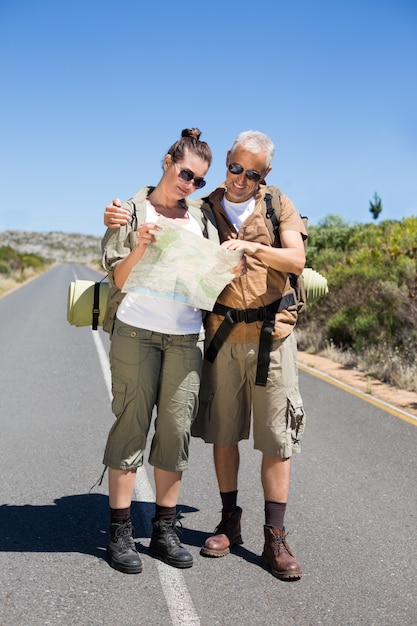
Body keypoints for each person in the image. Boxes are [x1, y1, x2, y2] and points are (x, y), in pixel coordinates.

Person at [104, 130, 307, 580]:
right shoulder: (171, 208)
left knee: (207, 434)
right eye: (233, 168)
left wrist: (249, 251)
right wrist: (123, 220)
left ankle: (247, 535)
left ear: (264, 174)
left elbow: (293, 259)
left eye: (251, 172)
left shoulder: (242, 207)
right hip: (173, 334)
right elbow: (126, 258)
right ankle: (140, 529)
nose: (238, 178)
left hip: (226, 336)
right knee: (178, 429)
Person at [101, 128, 223, 575]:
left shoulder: (201, 219)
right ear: (168, 161)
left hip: (186, 336)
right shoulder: (130, 211)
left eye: (199, 181)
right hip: (136, 332)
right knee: (131, 425)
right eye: (186, 173)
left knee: (175, 430)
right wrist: (138, 247)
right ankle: (118, 531)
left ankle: (164, 530)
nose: (190, 185)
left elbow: (207, 276)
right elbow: (119, 279)